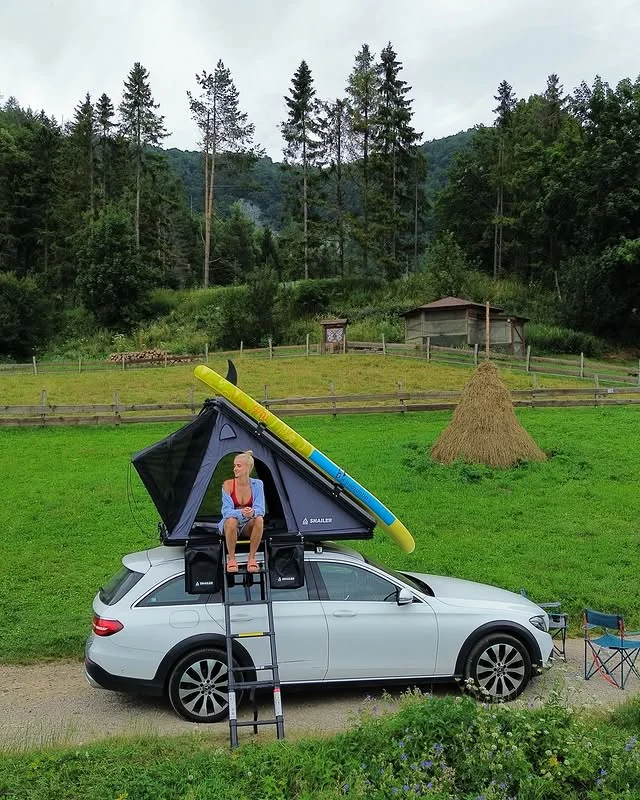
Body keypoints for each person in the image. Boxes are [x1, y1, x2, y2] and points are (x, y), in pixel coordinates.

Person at [219, 450, 265, 573]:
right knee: (231, 521)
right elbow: (226, 511)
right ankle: (232, 559)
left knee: (259, 519)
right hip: (231, 524)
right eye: (234, 466)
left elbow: (260, 509)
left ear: (248, 468)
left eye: (238, 466)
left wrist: (252, 512)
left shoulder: (257, 484)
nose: (235, 469)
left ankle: (252, 558)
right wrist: (241, 513)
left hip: (247, 524)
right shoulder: (228, 485)